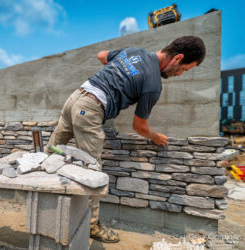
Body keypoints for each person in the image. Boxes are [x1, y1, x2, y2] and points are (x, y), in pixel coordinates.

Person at [46, 36, 206, 243]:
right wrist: (155, 137)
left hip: (75, 97)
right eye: (184, 69)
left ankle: (44, 205)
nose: (180, 74)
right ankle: (91, 225)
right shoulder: (153, 84)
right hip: (90, 109)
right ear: (177, 58)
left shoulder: (135, 51)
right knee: (91, 169)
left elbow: (101, 56)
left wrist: (117, 76)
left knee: (52, 152)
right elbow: (139, 127)